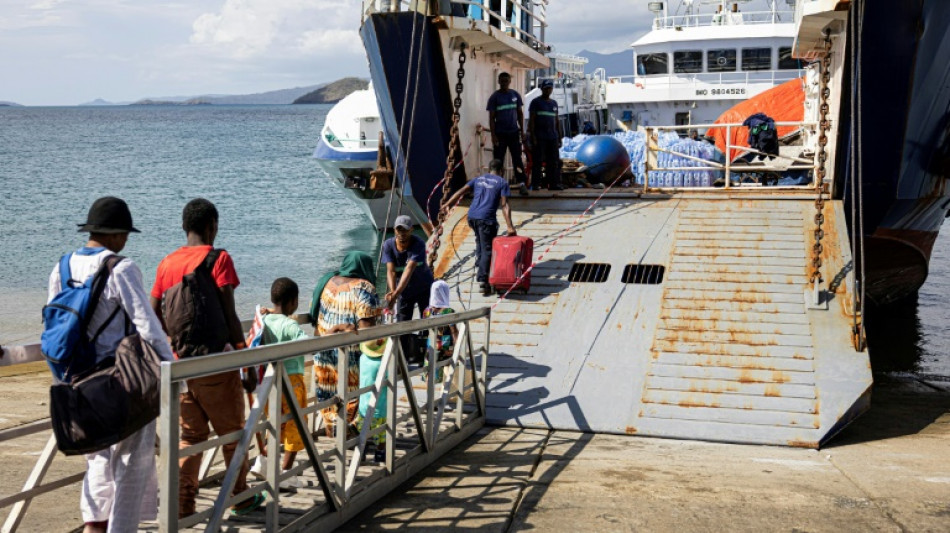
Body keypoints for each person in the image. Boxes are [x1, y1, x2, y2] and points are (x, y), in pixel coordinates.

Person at [47, 197, 174, 533]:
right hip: (119, 381)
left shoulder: (61, 266)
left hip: (78, 382)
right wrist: (173, 371)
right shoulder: (121, 267)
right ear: (116, 235)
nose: (127, 240)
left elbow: (53, 325)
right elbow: (147, 326)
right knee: (133, 462)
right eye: (125, 234)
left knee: (98, 459)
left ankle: (93, 526)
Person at [150, 198, 263, 518]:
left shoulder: (167, 263)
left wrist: (171, 348)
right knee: (233, 434)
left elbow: (153, 313)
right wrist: (246, 362)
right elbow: (229, 314)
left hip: (180, 368)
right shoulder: (219, 258)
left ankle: (184, 505)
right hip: (214, 364)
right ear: (211, 225)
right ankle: (239, 497)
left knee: (190, 437)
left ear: (185, 227)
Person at [309, 251, 379, 437]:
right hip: (351, 358)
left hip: (323, 353)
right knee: (355, 392)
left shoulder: (326, 282)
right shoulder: (365, 287)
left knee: (329, 392)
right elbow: (367, 332)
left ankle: (334, 430)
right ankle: (349, 433)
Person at [248, 278, 309, 490]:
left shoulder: (265, 321)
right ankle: (285, 472)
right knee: (295, 425)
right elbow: (305, 343)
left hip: (269, 380)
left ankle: (263, 462)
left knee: (272, 423)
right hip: (291, 380)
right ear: (293, 302)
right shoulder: (290, 324)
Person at [444, 158, 517, 296]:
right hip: (486, 219)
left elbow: (461, 191)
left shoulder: (478, 179)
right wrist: (510, 226)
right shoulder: (502, 182)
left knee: (480, 242)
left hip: (472, 217)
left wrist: (448, 203)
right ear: (501, 171)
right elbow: (505, 205)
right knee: (488, 249)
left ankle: (480, 265)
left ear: (489, 170)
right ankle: (483, 281)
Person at [383, 215, 434, 321]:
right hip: (404, 291)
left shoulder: (418, 244)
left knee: (426, 319)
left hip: (423, 288)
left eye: (405, 230)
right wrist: (393, 292)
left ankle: (424, 335)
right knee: (403, 322)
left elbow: (409, 269)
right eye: (399, 229)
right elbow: (391, 271)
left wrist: (396, 294)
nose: (402, 233)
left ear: (411, 229)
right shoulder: (388, 245)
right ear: (394, 230)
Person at [487, 72, 529, 196]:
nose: (504, 83)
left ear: (510, 81)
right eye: (502, 81)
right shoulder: (494, 97)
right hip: (500, 134)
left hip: (514, 133)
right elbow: (491, 118)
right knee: (498, 160)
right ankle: (496, 185)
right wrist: (493, 135)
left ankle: (522, 184)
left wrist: (522, 130)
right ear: (499, 82)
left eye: (507, 81)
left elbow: (520, 114)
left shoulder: (515, 95)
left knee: (517, 159)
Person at [356, 337, 389, 463]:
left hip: (364, 405)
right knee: (381, 434)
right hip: (380, 406)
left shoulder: (362, 359)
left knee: (363, 429)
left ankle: (362, 452)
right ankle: (380, 453)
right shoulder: (384, 361)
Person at [528, 79, 564, 190]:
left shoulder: (554, 104)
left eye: (550, 88)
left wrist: (559, 137)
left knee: (553, 162)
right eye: (546, 88)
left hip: (552, 137)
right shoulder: (535, 102)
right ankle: (535, 184)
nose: (548, 90)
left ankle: (553, 184)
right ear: (542, 89)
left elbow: (556, 121)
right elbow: (532, 120)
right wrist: (533, 136)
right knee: (537, 162)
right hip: (540, 137)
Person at [422, 280, 459, 383]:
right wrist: (457, 347)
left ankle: (429, 378)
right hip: (446, 346)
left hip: (431, 344)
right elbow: (454, 331)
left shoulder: (427, 311)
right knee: (448, 367)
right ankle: (444, 381)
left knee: (430, 362)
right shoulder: (449, 312)